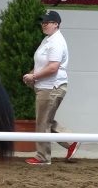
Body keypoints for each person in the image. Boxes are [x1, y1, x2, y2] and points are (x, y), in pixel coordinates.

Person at [22, 10, 79, 165]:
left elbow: (53, 67)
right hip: (46, 85)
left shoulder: (56, 42)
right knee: (45, 120)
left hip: (51, 87)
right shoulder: (48, 39)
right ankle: (72, 141)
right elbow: (43, 64)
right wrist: (32, 74)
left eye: (47, 22)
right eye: (43, 22)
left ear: (56, 24)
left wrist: (34, 76)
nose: (44, 25)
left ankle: (43, 157)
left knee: (43, 122)